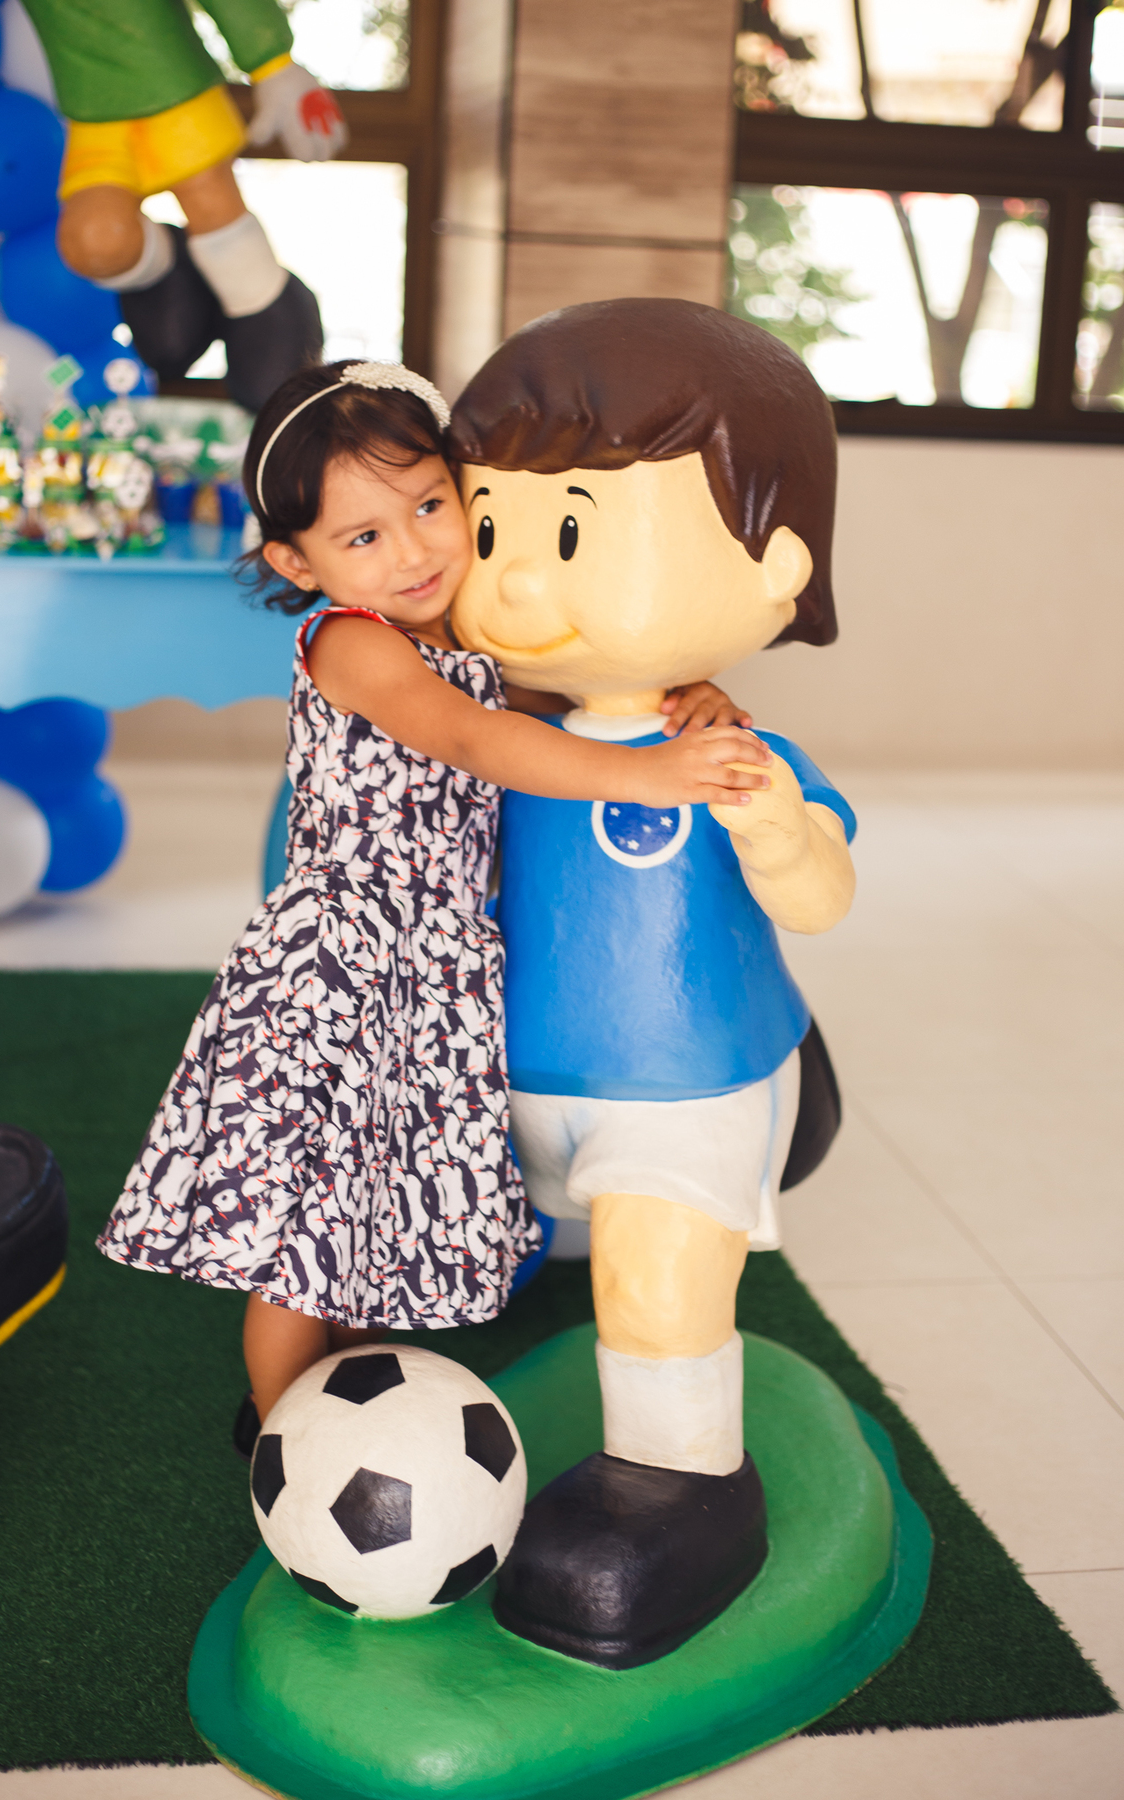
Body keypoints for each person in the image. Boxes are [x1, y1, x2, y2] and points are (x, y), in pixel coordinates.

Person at [97, 359, 767, 1440]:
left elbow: (590, 698)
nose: (411, 552)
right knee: (307, 1237)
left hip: (435, 966)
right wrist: (643, 776)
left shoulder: (470, 637)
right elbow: (469, 735)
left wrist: (681, 699)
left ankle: (355, 1399)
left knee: (376, 1204)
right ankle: (280, 1430)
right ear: (294, 560)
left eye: (428, 508)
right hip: (339, 968)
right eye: (363, 537)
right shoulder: (350, 642)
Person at [447, 298, 857, 1669]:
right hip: (506, 1083)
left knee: (653, 1269)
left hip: (680, 1092)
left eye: (567, 530)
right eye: (489, 525)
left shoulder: (730, 756)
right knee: (492, 1225)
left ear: (776, 564)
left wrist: (775, 827)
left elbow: (823, 895)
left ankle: (682, 1479)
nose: (509, 579)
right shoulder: (488, 729)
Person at [19, 0, 346, 412]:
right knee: (93, 244)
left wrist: (272, 62)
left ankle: (269, 329)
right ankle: (172, 264)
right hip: (92, 110)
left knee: (221, 226)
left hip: (177, 93)